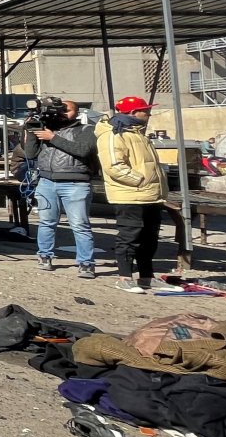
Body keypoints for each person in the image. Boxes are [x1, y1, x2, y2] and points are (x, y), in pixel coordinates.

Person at [95, 96, 167, 294]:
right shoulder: (113, 134)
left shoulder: (138, 134)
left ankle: (147, 277)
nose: (149, 113)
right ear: (133, 113)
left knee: (149, 238)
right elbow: (114, 166)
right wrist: (140, 181)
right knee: (129, 237)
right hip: (130, 195)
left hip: (150, 196)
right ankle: (125, 277)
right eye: (145, 110)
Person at [20, 99, 96, 278]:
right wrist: (31, 130)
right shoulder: (47, 129)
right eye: (59, 110)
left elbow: (83, 151)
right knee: (47, 222)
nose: (62, 113)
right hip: (47, 182)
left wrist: (53, 138)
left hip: (76, 183)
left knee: (80, 225)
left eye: (67, 110)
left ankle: (86, 263)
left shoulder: (86, 130)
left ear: (76, 113)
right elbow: (30, 154)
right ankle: (44, 256)